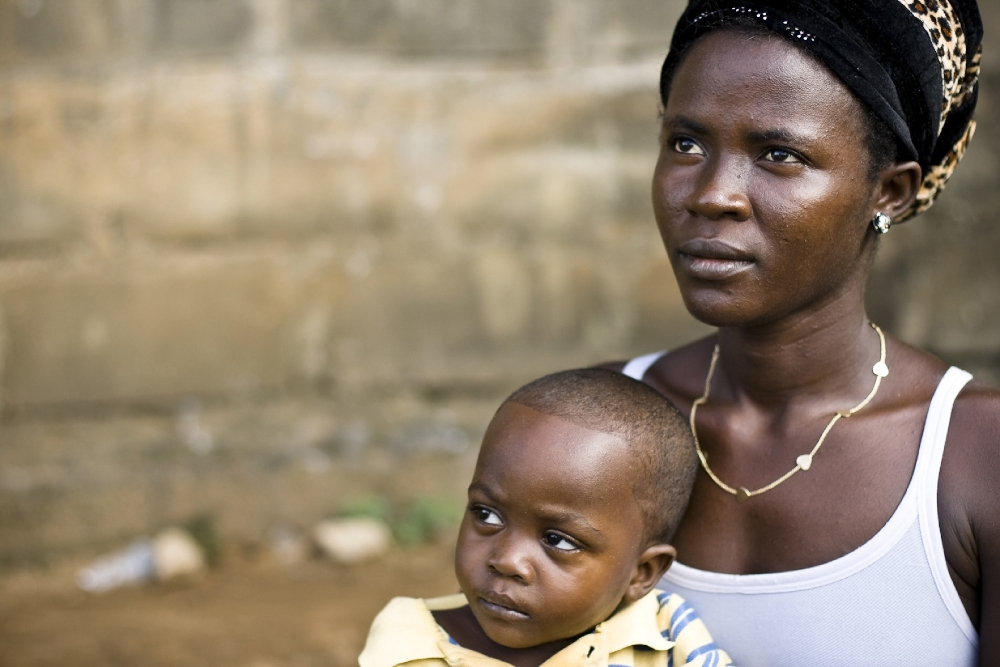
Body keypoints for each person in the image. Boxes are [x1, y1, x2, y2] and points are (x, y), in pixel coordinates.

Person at [608, 1, 998, 665]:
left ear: (891, 192)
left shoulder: (975, 459)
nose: (712, 193)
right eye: (686, 143)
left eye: (779, 154)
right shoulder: (592, 425)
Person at [359, 369, 735, 667]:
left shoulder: (666, 635)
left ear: (642, 573)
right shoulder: (410, 640)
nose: (506, 561)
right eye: (486, 514)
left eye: (557, 540)